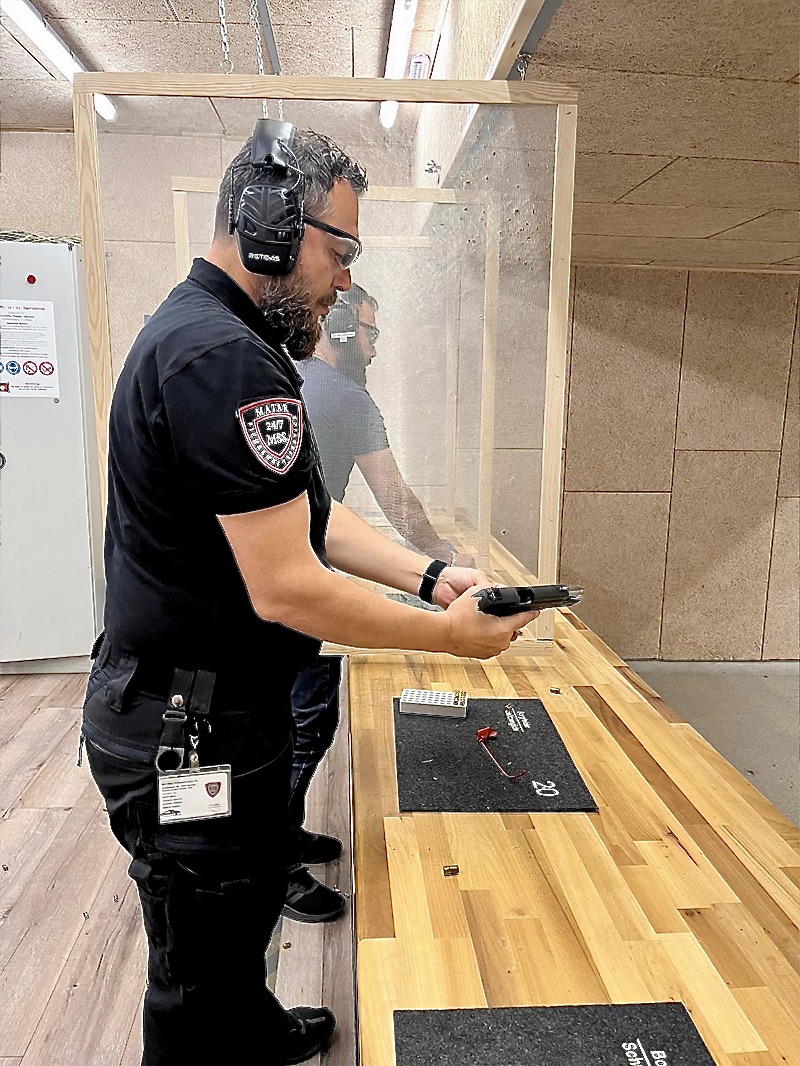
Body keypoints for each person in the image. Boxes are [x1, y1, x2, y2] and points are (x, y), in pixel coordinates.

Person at [80, 122, 536, 1066]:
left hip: (207, 709)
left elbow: (309, 520)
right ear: (270, 227)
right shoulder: (226, 359)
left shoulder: (216, 337)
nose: (344, 281)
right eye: (342, 250)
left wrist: (428, 576)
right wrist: (446, 637)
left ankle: (252, 1029)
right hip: (189, 724)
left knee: (241, 910)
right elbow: (288, 587)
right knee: (197, 970)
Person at [284, 284, 475, 923]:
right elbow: (396, 502)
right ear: (340, 333)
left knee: (282, 720)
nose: (373, 348)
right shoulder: (347, 397)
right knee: (305, 722)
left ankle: (282, 835)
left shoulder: (285, 379)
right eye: (368, 333)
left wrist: (427, 573)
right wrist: (447, 557)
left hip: (278, 575)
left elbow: (324, 512)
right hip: (298, 581)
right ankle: (275, 861)